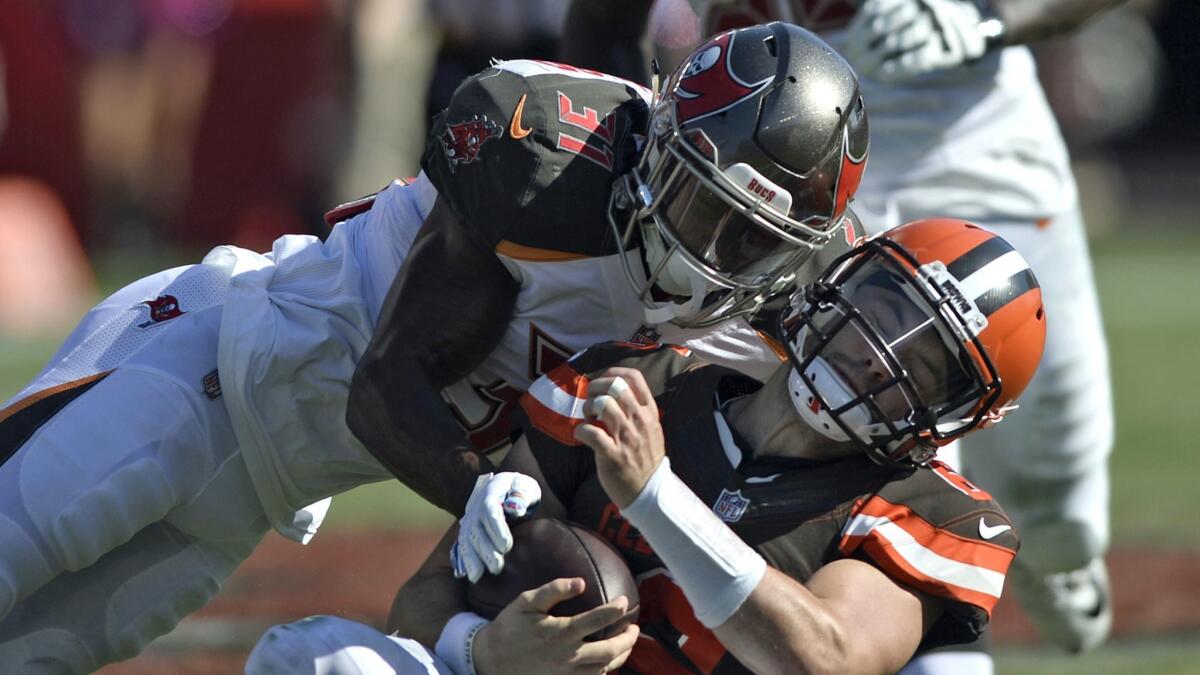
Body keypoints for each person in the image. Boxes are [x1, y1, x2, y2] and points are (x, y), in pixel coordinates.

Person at [0, 23, 867, 673]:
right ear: (659, 146)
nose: (706, 255)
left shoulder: (784, 293)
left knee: (35, 654)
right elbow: (382, 386)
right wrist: (482, 485)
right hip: (199, 363)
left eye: (747, 239)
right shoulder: (545, 170)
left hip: (263, 488)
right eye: (697, 205)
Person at [559, 0, 1122, 659]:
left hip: (974, 132)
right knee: (861, 413)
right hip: (775, 144)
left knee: (1064, 470)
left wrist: (991, 19)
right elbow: (603, 21)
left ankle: (1059, 547)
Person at [245, 216, 1047, 675]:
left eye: (926, 361)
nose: (880, 349)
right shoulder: (633, 387)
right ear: (836, 284)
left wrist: (652, 493)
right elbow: (422, 601)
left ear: (955, 417)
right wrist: (486, 651)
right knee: (317, 659)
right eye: (884, 306)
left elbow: (824, 661)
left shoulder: (923, 508)